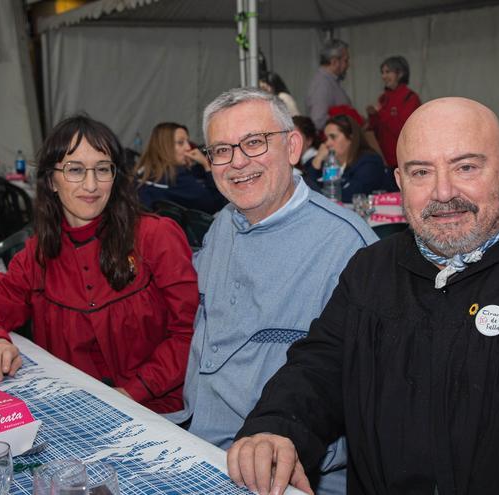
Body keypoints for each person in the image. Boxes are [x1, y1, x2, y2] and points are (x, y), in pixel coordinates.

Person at [228, 97, 499, 495]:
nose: (443, 193)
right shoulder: (373, 269)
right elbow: (319, 366)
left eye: (466, 167)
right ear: (400, 181)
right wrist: (277, 426)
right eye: (422, 172)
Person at [165, 88, 377, 494]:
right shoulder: (222, 225)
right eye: (222, 150)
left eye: (254, 142)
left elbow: (359, 398)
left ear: (293, 146)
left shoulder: (348, 248)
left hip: (280, 474)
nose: (238, 162)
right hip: (196, 446)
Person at [0, 116, 197, 413]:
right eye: (75, 170)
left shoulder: (155, 237)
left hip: (157, 411)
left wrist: (133, 391)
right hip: (74, 408)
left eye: (102, 169)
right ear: (52, 180)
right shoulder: (39, 255)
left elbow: (190, 333)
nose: (91, 185)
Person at [136, 122, 226, 214]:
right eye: (180, 143)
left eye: (187, 142)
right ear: (165, 146)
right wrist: (207, 165)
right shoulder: (177, 176)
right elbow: (214, 203)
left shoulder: (144, 172)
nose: (188, 147)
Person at [309, 114, 392, 201]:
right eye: (326, 138)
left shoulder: (369, 162)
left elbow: (351, 194)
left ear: (351, 137)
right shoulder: (327, 162)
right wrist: (317, 160)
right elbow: (307, 191)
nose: (327, 143)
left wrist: (323, 190)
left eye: (333, 137)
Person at [366, 56, 421, 167]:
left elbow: (404, 130)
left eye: (387, 72)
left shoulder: (410, 98)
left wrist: (381, 112)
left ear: (400, 74)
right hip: (384, 161)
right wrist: (372, 116)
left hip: (403, 161)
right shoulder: (383, 98)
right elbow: (376, 130)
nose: (383, 76)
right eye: (382, 72)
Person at [305, 39, 351, 129]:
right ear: (334, 62)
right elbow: (318, 121)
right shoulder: (322, 85)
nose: (348, 65)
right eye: (346, 60)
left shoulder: (329, 82)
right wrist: (347, 125)